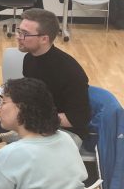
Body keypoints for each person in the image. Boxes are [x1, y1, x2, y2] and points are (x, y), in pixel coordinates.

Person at [18, 8, 90, 141]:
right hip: (39, 123)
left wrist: (33, 117)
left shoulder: (70, 71)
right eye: (19, 31)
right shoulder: (29, 58)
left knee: (13, 144)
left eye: (25, 34)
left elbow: (78, 119)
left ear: (44, 39)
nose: (19, 37)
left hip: (67, 132)